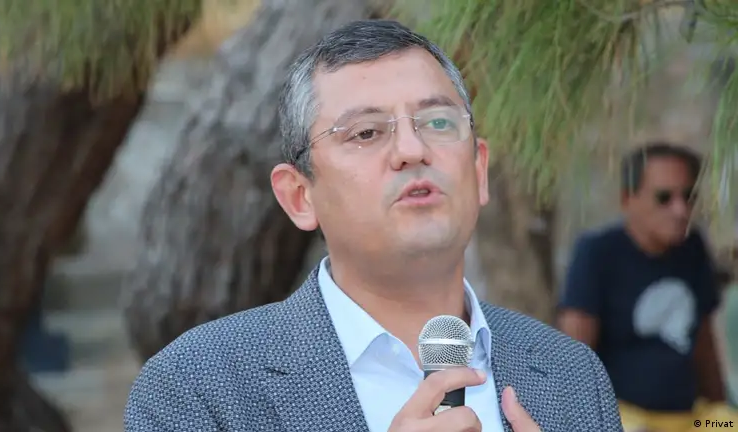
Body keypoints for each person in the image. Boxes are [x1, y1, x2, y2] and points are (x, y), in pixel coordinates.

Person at [124, 19, 622, 432]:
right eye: (365, 132)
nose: (412, 150)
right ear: (299, 196)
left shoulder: (572, 376)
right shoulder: (196, 388)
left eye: (438, 123)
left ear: (478, 170)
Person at [558, 143, 733, 431]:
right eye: (664, 198)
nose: (680, 209)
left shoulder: (693, 248)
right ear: (628, 199)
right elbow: (574, 356)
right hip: (624, 416)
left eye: (688, 196)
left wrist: (720, 406)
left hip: (689, 419)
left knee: (728, 424)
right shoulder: (598, 253)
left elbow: (705, 344)